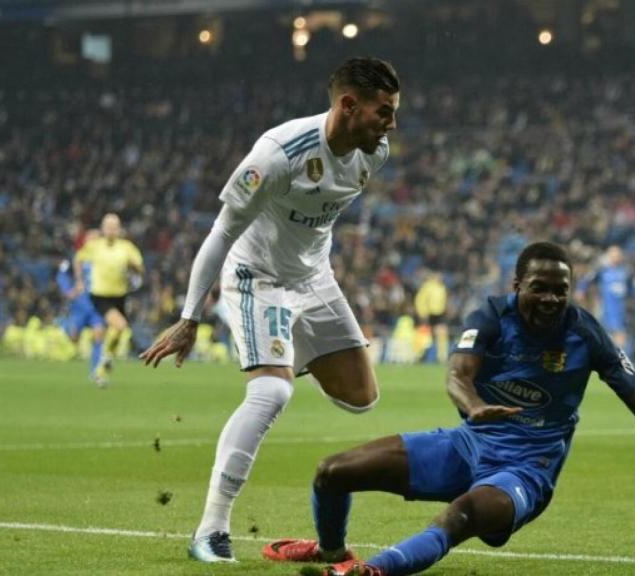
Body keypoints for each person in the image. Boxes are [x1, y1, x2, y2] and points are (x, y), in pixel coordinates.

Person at [261, 242, 635, 576]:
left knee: (464, 514)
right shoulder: (492, 316)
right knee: (332, 471)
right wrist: (473, 408)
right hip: (468, 444)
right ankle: (333, 551)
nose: (552, 299)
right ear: (517, 286)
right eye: (540, 289)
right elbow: (458, 373)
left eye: (561, 291)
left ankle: (374, 571)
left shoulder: (585, 333)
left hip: (526, 470)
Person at [138, 57, 400, 563]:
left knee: (362, 396)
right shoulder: (278, 153)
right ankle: (210, 531)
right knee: (272, 391)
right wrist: (190, 317)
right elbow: (222, 232)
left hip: (313, 277)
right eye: (383, 111)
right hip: (256, 277)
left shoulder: (375, 153)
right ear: (348, 105)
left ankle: (276, 353)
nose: (391, 124)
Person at [73, 213, 144, 384]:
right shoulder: (95, 246)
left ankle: (104, 364)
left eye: (115, 227)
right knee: (119, 326)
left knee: (117, 330)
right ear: (103, 229)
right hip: (100, 296)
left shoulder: (127, 247)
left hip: (120, 295)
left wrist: (134, 268)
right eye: (108, 227)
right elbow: (78, 259)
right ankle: (104, 361)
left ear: (119, 230)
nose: (111, 230)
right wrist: (80, 280)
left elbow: (140, 269)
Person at [56, 229, 107, 385]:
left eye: (97, 239)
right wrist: (68, 291)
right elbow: (61, 275)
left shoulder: (104, 258)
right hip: (79, 305)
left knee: (99, 333)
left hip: (97, 305)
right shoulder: (76, 257)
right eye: (91, 239)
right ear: (85, 241)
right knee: (73, 338)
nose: (94, 242)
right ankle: (63, 324)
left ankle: (96, 372)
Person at [576, 245, 635, 351]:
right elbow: (587, 279)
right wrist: (581, 290)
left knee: (620, 333)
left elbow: (633, 288)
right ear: (608, 256)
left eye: (618, 255)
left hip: (621, 308)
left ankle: (621, 359)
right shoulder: (602, 270)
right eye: (613, 254)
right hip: (605, 307)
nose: (616, 257)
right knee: (601, 333)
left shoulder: (626, 271)